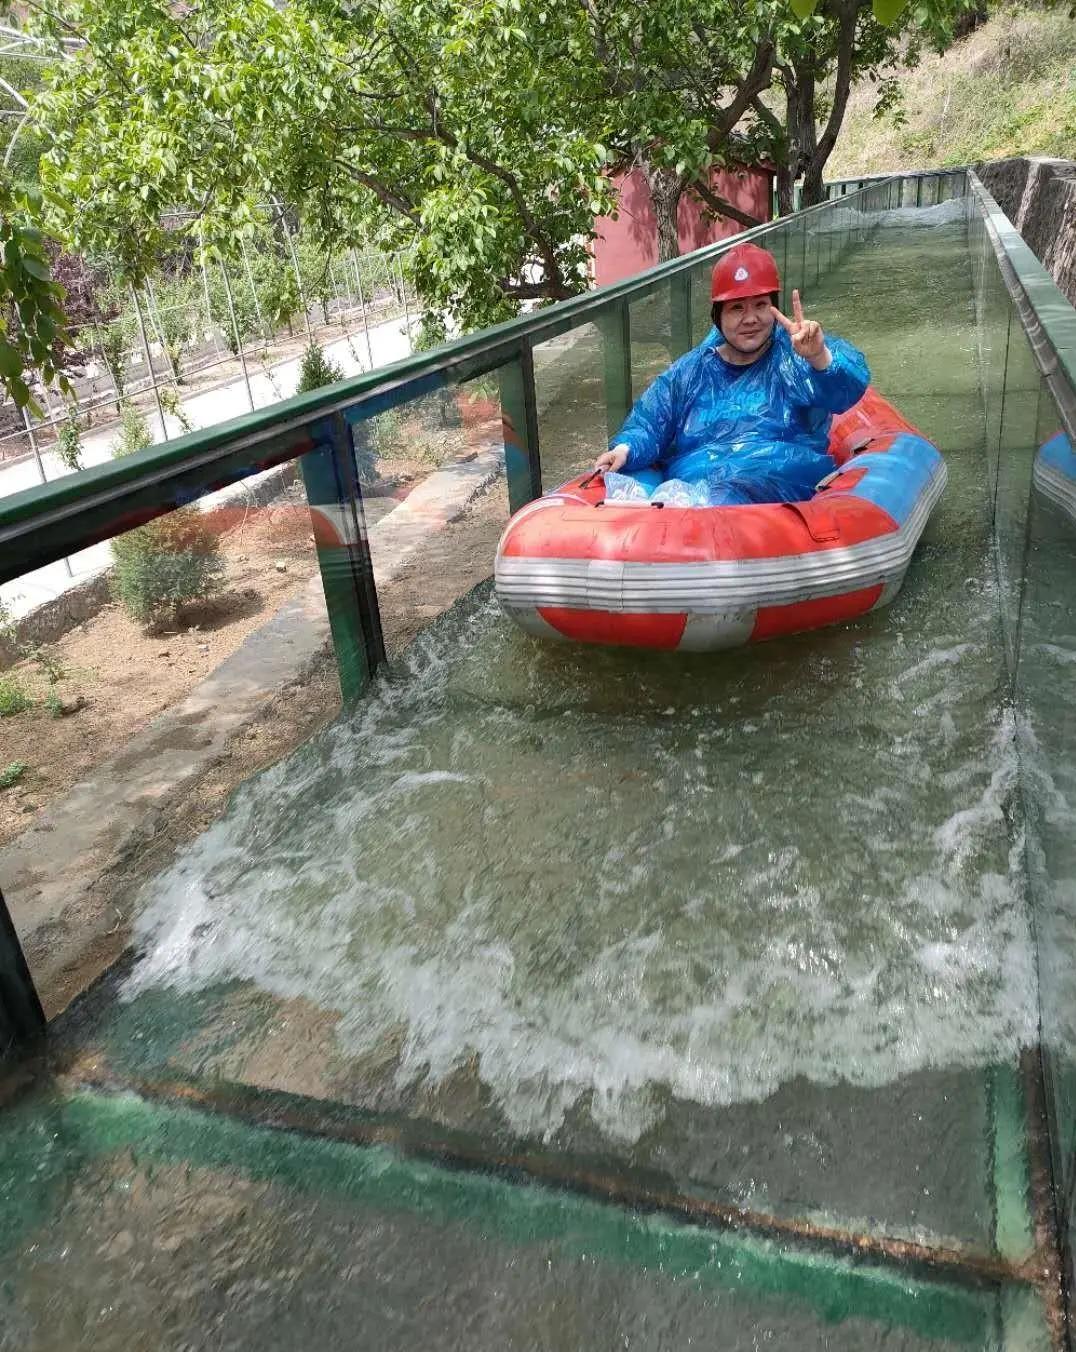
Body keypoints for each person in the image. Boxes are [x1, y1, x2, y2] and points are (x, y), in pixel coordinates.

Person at [593, 242, 870, 507]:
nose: (750, 319)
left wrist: (818, 356)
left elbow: (848, 388)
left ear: (774, 308)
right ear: (718, 316)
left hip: (778, 482)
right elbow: (650, 421)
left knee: (723, 495)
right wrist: (624, 449)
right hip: (697, 486)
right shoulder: (691, 371)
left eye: (761, 305)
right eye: (737, 307)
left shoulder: (796, 357)